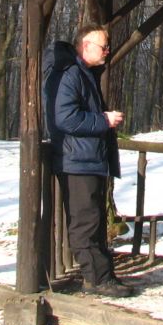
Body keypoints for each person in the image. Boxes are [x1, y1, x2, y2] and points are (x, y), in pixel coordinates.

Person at [43, 24, 131, 298]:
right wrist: (103, 120)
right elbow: (65, 118)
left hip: (87, 159)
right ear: (85, 46)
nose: (107, 51)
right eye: (103, 46)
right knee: (85, 224)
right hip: (77, 161)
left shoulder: (83, 74)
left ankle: (101, 277)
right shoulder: (70, 74)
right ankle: (97, 280)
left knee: (93, 222)